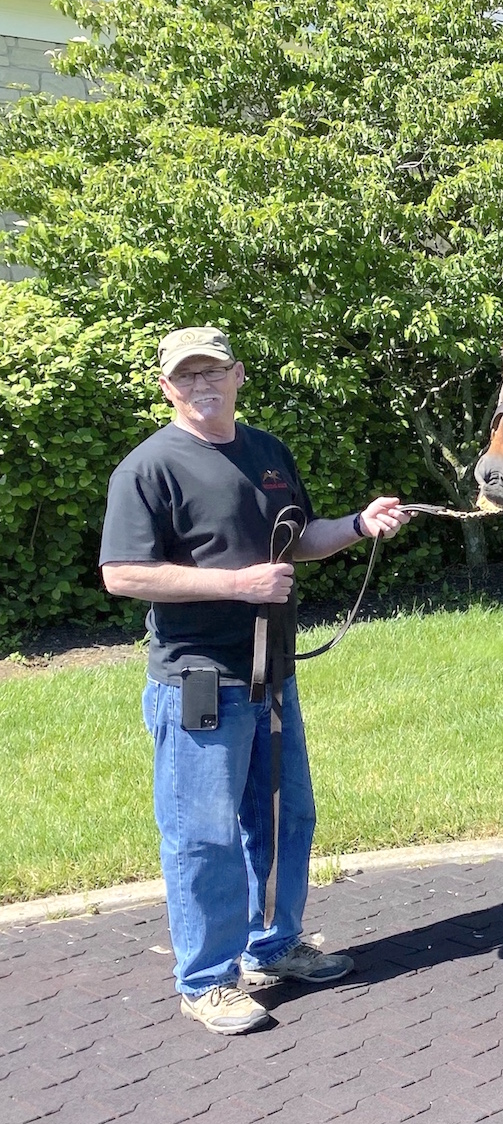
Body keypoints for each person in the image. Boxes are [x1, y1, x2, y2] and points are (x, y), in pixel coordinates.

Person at [100, 325, 412, 1035]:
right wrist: (237, 583)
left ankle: (273, 946)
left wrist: (359, 525)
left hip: (271, 674)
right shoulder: (149, 468)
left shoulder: (268, 452)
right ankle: (206, 979)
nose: (202, 385)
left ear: (239, 374)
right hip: (198, 682)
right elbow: (121, 574)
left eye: (214, 371)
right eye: (187, 376)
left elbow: (297, 538)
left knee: (283, 818)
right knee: (202, 836)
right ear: (167, 387)